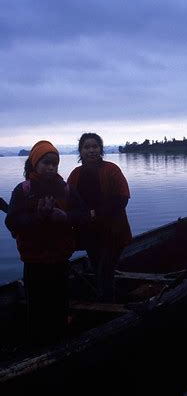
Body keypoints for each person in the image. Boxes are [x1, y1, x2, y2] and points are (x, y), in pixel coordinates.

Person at [5, 140, 88, 345]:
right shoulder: (23, 190)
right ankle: (38, 341)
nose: (51, 167)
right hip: (34, 260)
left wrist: (66, 217)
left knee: (60, 302)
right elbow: (12, 220)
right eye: (46, 163)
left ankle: (60, 337)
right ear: (35, 164)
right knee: (37, 305)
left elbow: (83, 215)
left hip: (60, 258)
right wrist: (38, 217)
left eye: (55, 164)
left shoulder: (66, 189)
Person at [67, 132, 132, 301]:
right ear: (80, 151)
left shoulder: (112, 170)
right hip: (89, 232)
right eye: (86, 147)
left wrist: (95, 213)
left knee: (105, 270)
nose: (91, 150)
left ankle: (108, 305)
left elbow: (122, 198)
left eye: (95, 146)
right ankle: (105, 299)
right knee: (97, 268)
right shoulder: (75, 174)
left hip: (113, 232)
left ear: (101, 149)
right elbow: (66, 199)